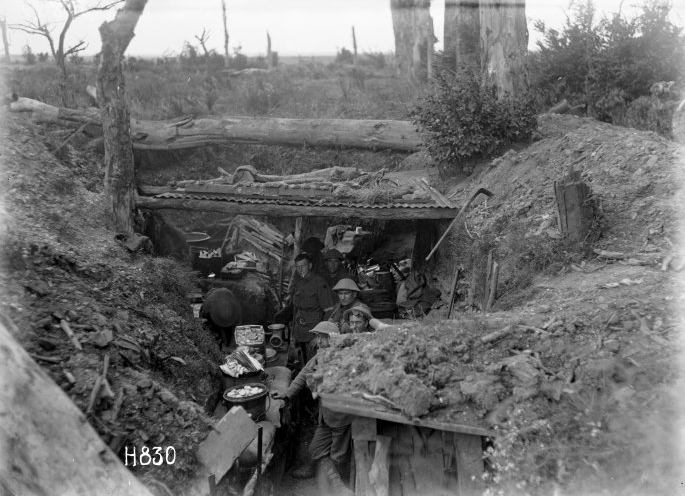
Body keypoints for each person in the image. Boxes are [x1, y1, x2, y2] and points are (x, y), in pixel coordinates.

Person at [272, 322, 354, 496]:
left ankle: (342, 486)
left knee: (339, 457)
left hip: (340, 415)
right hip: (325, 416)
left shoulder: (343, 357)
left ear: (334, 339)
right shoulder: (318, 356)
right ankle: (336, 482)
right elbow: (302, 375)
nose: (320, 340)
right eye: (318, 337)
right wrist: (287, 394)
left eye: (324, 337)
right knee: (315, 449)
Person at [290, 252, 334, 365]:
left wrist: (321, 334)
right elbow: (296, 309)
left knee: (314, 364)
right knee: (302, 362)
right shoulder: (299, 283)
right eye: (298, 267)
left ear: (310, 265)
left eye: (303, 266)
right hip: (301, 331)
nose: (300, 269)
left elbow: (329, 312)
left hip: (313, 333)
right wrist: (293, 332)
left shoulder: (319, 283)